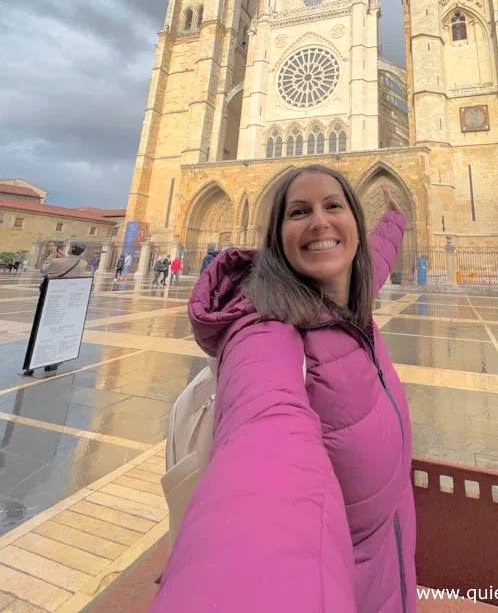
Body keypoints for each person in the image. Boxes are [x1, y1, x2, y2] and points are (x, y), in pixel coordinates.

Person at [152, 165, 415, 612]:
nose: (320, 222)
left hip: (387, 572)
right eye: (299, 212)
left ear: (355, 221)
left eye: (334, 206)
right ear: (276, 238)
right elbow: (264, 451)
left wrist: (395, 220)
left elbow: (376, 255)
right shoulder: (265, 331)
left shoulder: (349, 294)